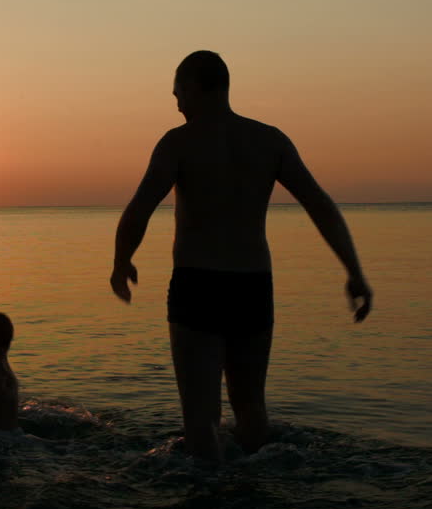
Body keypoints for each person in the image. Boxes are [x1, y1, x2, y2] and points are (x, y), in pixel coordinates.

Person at [111, 50, 373, 462]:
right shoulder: (270, 140)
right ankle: (253, 502)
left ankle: (206, 501)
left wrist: (121, 261)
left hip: (197, 285)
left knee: (201, 417)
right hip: (252, 284)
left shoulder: (179, 142)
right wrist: (354, 270)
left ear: (196, 86)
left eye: (178, 91)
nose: (176, 102)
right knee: (250, 405)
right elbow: (320, 204)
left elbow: (139, 208)